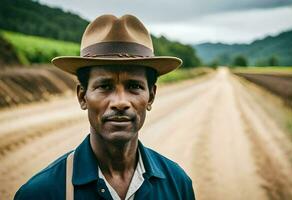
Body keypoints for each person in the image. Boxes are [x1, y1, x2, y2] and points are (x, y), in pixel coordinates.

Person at [14, 14, 195, 200]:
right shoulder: (40, 193)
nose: (120, 102)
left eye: (134, 86)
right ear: (82, 96)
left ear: (151, 97)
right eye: (104, 86)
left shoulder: (178, 184)